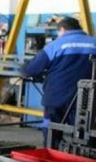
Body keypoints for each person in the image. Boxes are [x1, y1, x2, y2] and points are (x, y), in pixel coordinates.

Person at [22, 16, 96, 144]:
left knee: (51, 132)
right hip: (85, 99)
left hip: (56, 97)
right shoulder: (94, 43)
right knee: (83, 134)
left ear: (62, 29)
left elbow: (31, 70)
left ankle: (52, 153)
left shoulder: (55, 45)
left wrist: (23, 68)